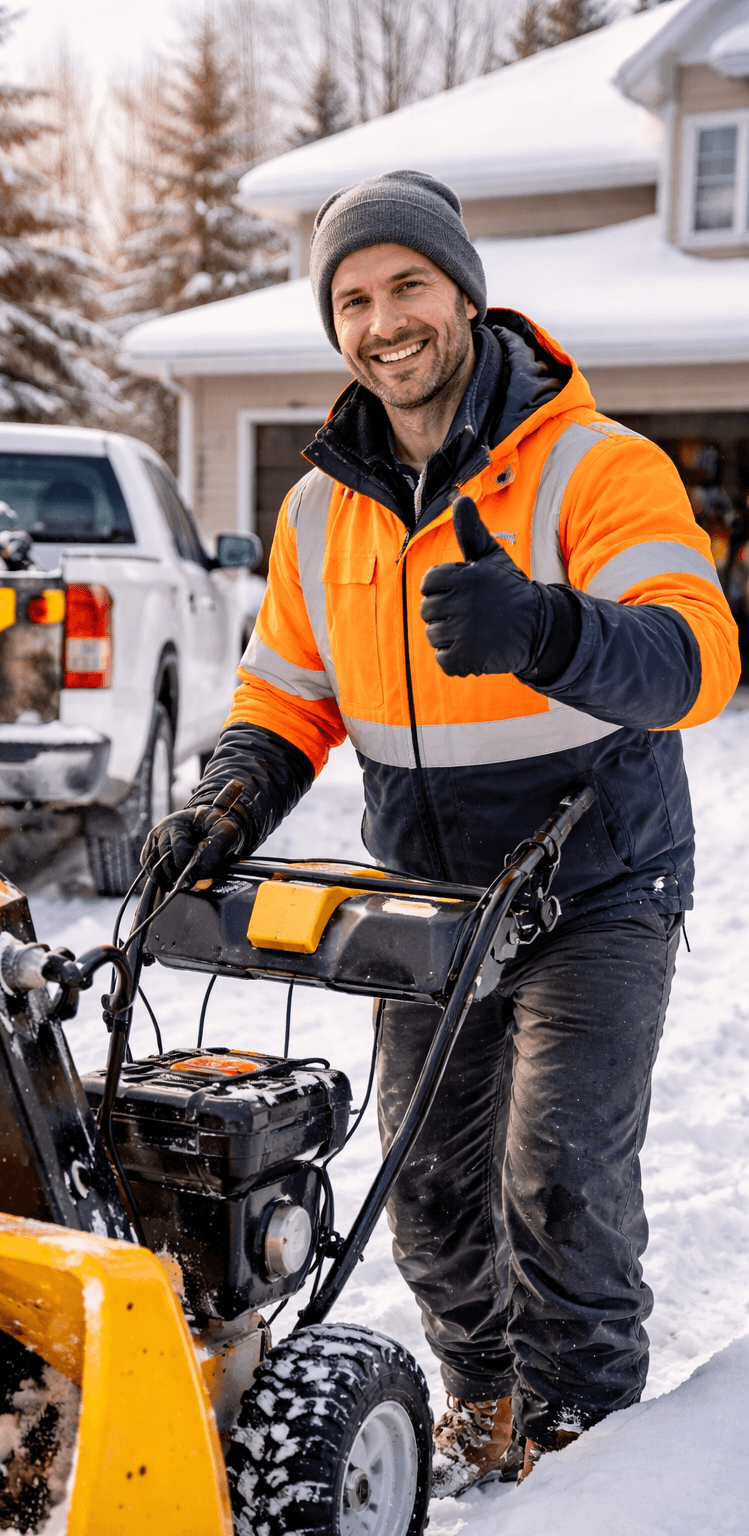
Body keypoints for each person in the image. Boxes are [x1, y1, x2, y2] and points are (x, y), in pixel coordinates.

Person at [142, 170, 740, 1493]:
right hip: (431, 898)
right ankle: (486, 1403)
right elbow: (285, 695)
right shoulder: (319, 508)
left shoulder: (597, 465)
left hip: (596, 882)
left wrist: (546, 628)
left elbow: (698, 657)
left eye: (408, 283)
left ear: (464, 292)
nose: (383, 318)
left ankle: (593, 1453)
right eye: (353, 297)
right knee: (429, 1193)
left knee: (562, 1181)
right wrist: (229, 796)